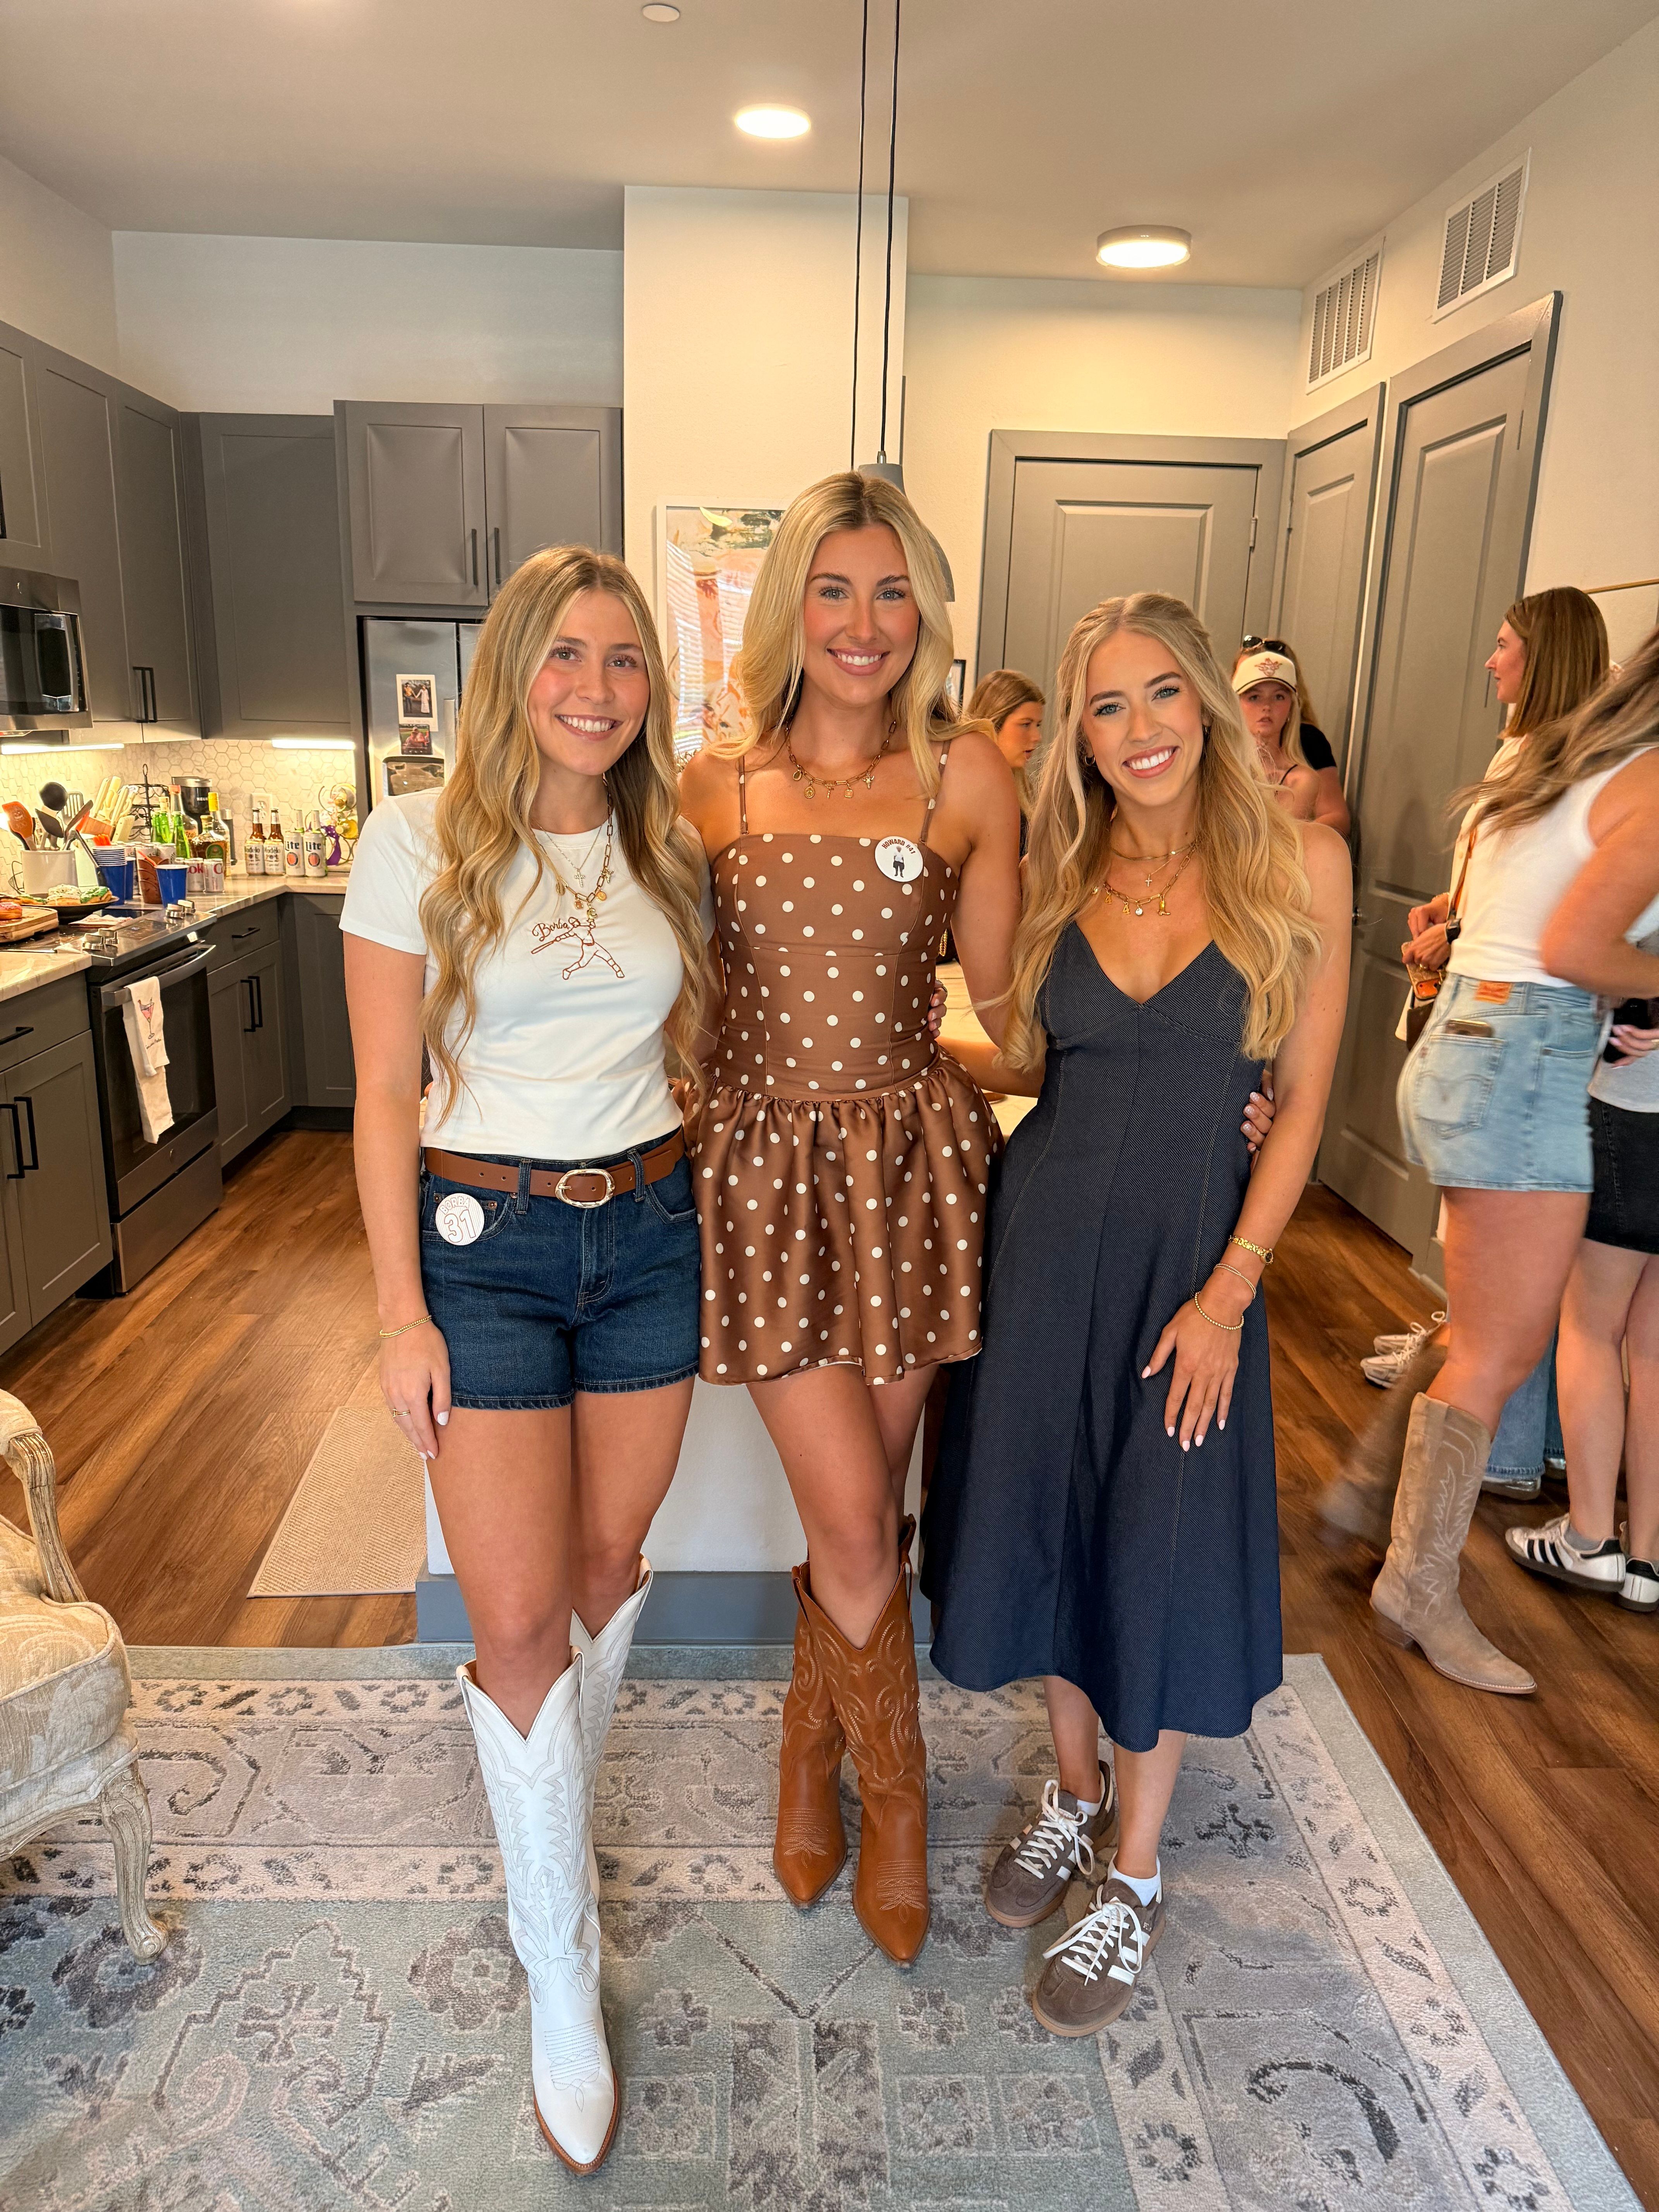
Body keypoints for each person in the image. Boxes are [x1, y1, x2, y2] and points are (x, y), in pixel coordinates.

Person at [922, 590, 1350, 2039]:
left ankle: (1136, 1877)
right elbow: (1030, 1056)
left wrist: (1232, 1290)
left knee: (1153, 1554)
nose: (1137, 730)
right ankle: (1074, 1789)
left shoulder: (1303, 861)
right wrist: (895, 1035)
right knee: (1048, 1532)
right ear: (1079, 737)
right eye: (1105, 707)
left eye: (1161, 694)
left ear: (1210, 704)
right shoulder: (1060, 868)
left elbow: (1294, 1111)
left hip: (1192, 1267)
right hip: (1038, 1249)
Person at [342, 547, 715, 2173]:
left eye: (624, 658)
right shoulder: (415, 838)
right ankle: (557, 1961)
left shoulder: (670, 841)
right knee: (511, 1619)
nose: (596, 685)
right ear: (514, 669)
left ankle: (544, 1817)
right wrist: (396, 1311)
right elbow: (374, 1100)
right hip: (479, 1255)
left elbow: (714, 1042)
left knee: (606, 1562)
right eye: (565, 652)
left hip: (647, 1237)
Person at [678, 470, 1023, 1965]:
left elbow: (1007, 1024)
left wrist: (1210, 1078)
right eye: (834, 590)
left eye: (893, 594)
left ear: (924, 615)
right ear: (788, 609)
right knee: (848, 1518)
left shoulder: (966, 784)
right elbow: (669, 1010)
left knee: (866, 1521)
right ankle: (897, 1798)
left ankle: (802, 1759)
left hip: (910, 1184)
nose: (864, 625)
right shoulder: (710, 787)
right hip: (758, 1190)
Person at [1382, 620, 1657, 1695]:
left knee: (1486, 1337)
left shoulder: (1574, 757)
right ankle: (1420, 1588)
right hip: (1520, 1060)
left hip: (1487, 1042)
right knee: (1495, 1350)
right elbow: (1573, 950)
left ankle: (1412, 1571)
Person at [1322, 586, 1612, 1547]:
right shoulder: (1570, 772)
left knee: (1501, 1310)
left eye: (1503, 647)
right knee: (1509, 1322)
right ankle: (1426, 1506)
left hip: (1486, 1036)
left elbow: (1517, 916)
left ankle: (1404, 1489)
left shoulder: (1558, 772)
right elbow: (1566, 941)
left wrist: (1452, 927)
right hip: (1513, 1042)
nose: (1490, 663)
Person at [1502, 632, 1659, 1612]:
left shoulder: (1636, 791)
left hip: (1633, 1110)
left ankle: (1594, 1533)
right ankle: (1649, 1556)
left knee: (1593, 1329)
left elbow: (1578, 947)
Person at [1231, 639, 1350, 834]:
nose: (1267, 707)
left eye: (1279, 696)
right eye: (1254, 697)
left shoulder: (1304, 777)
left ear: (1292, 706)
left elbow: (1337, 818)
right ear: (1236, 702)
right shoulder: (1214, 761)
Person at [968, 667, 1046, 814]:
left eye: (1038, 725)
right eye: (1026, 725)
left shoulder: (1026, 790)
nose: (1037, 737)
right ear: (992, 724)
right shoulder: (960, 789)